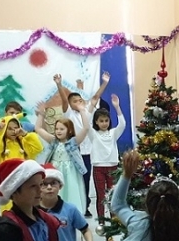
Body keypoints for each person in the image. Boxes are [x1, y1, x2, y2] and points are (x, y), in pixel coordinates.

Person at [54, 72, 111, 218]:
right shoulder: (69, 113)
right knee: (72, 179)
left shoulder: (87, 112)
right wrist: (59, 84)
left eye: (80, 100)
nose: (79, 102)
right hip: (74, 150)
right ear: (70, 104)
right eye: (75, 101)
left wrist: (105, 83)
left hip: (87, 152)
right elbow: (64, 100)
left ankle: (84, 206)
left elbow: (95, 98)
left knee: (85, 179)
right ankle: (66, 204)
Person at [35, 101, 90, 214]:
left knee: (71, 191)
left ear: (69, 130)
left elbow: (86, 128)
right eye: (57, 129)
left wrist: (82, 111)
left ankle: (71, 213)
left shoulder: (74, 142)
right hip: (55, 170)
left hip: (70, 172)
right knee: (56, 191)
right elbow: (38, 128)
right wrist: (41, 114)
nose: (58, 131)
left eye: (61, 129)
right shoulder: (53, 141)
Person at [89, 94, 127, 225]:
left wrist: (117, 107)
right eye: (101, 121)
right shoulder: (93, 134)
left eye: (106, 120)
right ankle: (101, 222)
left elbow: (122, 124)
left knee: (112, 195)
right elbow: (86, 123)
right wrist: (91, 106)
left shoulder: (113, 133)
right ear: (96, 122)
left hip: (113, 167)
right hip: (98, 168)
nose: (104, 123)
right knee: (101, 196)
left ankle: (114, 220)